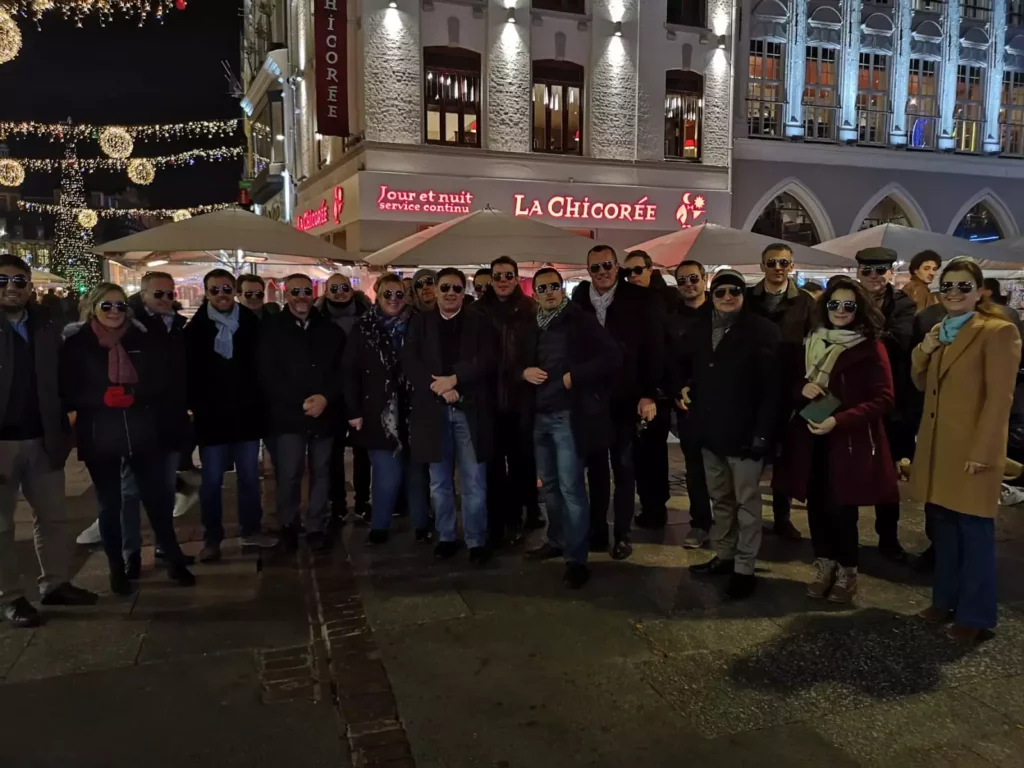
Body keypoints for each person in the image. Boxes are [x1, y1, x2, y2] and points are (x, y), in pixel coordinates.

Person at [910, 257, 1021, 645]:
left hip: (973, 451)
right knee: (943, 529)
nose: (954, 293)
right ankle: (945, 600)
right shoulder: (941, 331)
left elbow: (999, 398)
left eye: (963, 286)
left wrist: (984, 451)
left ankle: (975, 614)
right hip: (939, 448)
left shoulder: (998, 331)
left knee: (974, 533)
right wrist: (925, 347)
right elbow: (920, 381)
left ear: (980, 292)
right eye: (948, 286)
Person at [61, 283, 195, 595]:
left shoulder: (140, 338)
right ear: (94, 307)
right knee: (110, 504)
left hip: (140, 428)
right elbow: (67, 389)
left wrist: (134, 394)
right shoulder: (77, 343)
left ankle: (173, 558)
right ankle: (117, 566)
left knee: (156, 499)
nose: (114, 312)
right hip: (100, 432)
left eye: (120, 305)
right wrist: (100, 398)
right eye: (107, 306)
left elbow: (158, 380)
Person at [774, 279, 899, 603]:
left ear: (859, 309)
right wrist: (802, 388)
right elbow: (793, 383)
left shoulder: (870, 346)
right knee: (816, 506)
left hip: (847, 440)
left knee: (842, 509)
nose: (840, 311)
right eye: (834, 304)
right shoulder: (811, 340)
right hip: (811, 436)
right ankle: (824, 566)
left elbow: (884, 398)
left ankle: (847, 572)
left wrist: (839, 420)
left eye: (848, 305)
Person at [0, 255, 97, 627]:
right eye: (3, 281)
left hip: (43, 436)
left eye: (19, 281)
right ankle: (10, 596)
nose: (12, 288)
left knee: (53, 517)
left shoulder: (44, 325)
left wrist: (64, 420)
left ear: (30, 286)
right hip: (2, 442)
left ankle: (55, 583)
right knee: (2, 525)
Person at [682, 270, 781, 600]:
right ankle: (725, 555)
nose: (727, 297)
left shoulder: (762, 331)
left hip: (745, 434)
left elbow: (773, 389)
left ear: (743, 294)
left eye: (734, 291)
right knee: (721, 500)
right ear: (712, 295)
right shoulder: (699, 328)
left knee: (747, 505)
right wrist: (685, 387)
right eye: (721, 291)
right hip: (710, 432)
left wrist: (763, 435)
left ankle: (745, 567)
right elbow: (686, 366)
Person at [520, 267, 621, 588]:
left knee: (570, 487)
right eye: (542, 288)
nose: (549, 292)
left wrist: (575, 376)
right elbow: (514, 362)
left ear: (562, 289)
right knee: (549, 486)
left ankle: (577, 558)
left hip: (568, 415)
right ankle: (557, 539)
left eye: (554, 286)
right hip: (539, 415)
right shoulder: (532, 325)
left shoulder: (579, 320)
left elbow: (612, 355)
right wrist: (523, 372)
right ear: (535, 294)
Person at [572, 245, 663, 561]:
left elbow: (654, 348)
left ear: (617, 267)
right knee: (596, 468)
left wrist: (649, 393)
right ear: (588, 271)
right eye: (595, 267)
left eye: (607, 265)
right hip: (591, 398)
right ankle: (598, 530)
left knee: (624, 467)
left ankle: (622, 533)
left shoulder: (641, 299)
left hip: (626, 395)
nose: (602, 272)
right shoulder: (579, 300)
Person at [403, 268, 494, 564]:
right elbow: (410, 361)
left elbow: (487, 359)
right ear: (436, 290)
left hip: (471, 411)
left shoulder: (478, 321)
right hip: (433, 411)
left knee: (474, 481)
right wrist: (439, 388)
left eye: (457, 288)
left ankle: (476, 539)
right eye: (445, 288)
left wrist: (455, 379)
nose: (451, 293)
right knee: (439, 481)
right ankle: (446, 536)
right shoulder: (421, 322)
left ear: (464, 291)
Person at [185, 269, 277, 562]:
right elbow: (188, 372)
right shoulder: (196, 328)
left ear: (234, 291)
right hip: (212, 418)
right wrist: (197, 405)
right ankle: (212, 538)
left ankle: (251, 529)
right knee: (212, 481)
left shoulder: (250, 323)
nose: (222, 294)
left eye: (226, 288)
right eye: (215, 290)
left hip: (246, 415)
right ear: (206, 292)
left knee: (249, 477)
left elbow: (263, 366)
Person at [259, 273, 345, 552]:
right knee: (289, 472)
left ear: (313, 293)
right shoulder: (272, 330)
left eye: (306, 291)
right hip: (288, 415)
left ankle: (316, 525)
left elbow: (341, 371)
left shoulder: (330, 330)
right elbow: (268, 374)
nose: (301, 297)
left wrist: (325, 398)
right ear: (286, 294)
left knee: (322, 472)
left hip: (324, 413)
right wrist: (300, 402)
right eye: (295, 291)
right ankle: (288, 524)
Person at [342, 274, 430, 543]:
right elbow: (349, 371)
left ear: (407, 296)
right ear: (377, 297)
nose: (393, 299)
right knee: (386, 474)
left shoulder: (419, 323)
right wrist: (353, 411)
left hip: (416, 408)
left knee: (417, 474)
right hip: (379, 411)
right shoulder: (363, 327)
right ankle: (380, 526)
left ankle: (422, 524)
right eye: (387, 294)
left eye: (399, 294)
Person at [745, 243, 815, 541]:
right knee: (749, 456)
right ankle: (746, 518)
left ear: (792, 266)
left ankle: (782, 517)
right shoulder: (747, 298)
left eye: (783, 263)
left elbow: (814, 342)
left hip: (790, 388)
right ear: (762, 265)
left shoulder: (806, 302)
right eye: (772, 262)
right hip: (752, 387)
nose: (777, 268)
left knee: (785, 456)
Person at [475, 256, 541, 547]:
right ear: (491, 279)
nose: (503, 280)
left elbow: (538, 352)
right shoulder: (477, 311)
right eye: (498, 275)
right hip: (487, 400)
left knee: (520, 463)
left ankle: (518, 518)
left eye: (508, 275)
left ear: (516, 278)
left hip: (520, 401)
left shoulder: (530, 309)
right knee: (491, 466)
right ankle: (496, 523)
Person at [856, 247, 916, 561]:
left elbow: (899, 342)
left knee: (886, 473)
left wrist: (860, 329)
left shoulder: (903, 304)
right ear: (858, 272)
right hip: (852, 397)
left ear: (891, 272)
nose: (874, 276)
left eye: (880, 270)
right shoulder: (846, 299)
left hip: (889, 399)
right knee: (847, 469)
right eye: (867, 270)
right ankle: (844, 539)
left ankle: (888, 539)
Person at [623, 250, 677, 530]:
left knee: (651, 454)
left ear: (650, 269)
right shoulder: (632, 300)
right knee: (641, 454)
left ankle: (655, 508)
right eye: (628, 272)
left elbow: (661, 351)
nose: (633, 276)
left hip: (655, 392)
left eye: (638, 270)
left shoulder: (662, 300)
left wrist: (652, 391)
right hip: (637, 391)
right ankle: (650, 505)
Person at [318, 273, 372, 524]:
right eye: (334, 288)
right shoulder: (319, 318)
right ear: (326, 292)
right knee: (334, 452)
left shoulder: (367, 315)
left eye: (344, 287)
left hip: (362, 391)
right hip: (332, 394)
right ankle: (338, 503)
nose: (340, 292)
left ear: (351, 290)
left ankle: (362, 501)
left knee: (363, 451)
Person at [669, 260, 714, 549]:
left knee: (727, 467)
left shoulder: (723, 311)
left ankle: (730, 524)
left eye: (693, 278)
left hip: (722, 403)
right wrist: (677, 390)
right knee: (695, 467)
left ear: (704, 279)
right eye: (683, 280)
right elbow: (666, 360)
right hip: (689, 405)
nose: (688, 284)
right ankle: (700, 523)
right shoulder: (672, 320)